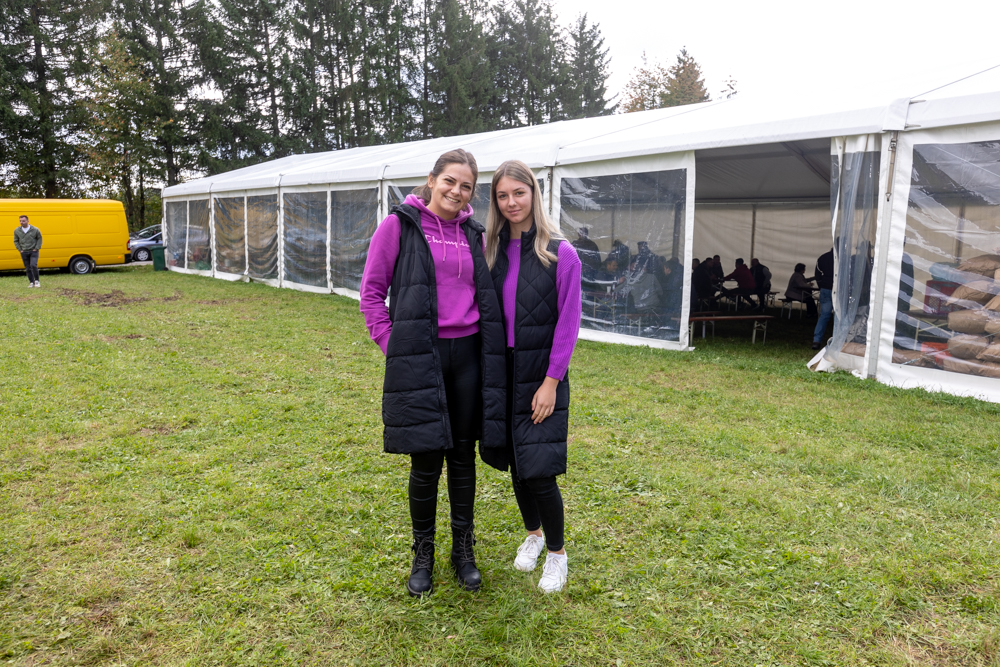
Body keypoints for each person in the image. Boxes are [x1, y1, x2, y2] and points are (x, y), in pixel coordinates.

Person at [359, 149, 505, 597]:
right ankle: (422, 552)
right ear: (431, 179)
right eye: (450, 181)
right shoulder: (399, 226)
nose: (456, 192)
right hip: (421, 354)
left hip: (468, 356)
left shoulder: (475, 234)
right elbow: (371, 294)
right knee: (425, 460)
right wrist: (397, 349)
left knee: (462, 457)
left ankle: (463, 550)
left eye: (466, 186)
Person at [483, 160, 582, 594]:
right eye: (502, 195)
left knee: (539, 470)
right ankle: (534, 535)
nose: (511, 203)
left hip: (540, 374)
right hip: (501, 372)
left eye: (518, 193)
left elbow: (569, 323)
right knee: (517, 464)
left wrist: (551, 381)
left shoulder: (561, 253)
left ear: (534, 194)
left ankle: (557, 555)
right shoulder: (491, 251)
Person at [812, 248, 835, 350]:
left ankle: (816, 341)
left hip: (825, 288)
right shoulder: (844, 258)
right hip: (838, 289)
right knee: (839, 317)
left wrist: (821, 285)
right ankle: (838, 341)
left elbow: (817, 274)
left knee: (824, 316)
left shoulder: (823, 257)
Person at [14, 215, 42, 287]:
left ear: (28, 221)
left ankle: (37, 281)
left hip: (33, 251)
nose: (21, 222)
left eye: (23, 221)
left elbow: (39, 238)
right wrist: (20, 249)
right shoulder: (17, 230)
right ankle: (31, 282)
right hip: (24, 251)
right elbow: (16, 240)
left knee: (33, 265)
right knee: (27, 268)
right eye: (20, 221)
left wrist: (36, 248)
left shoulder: (35, 229)